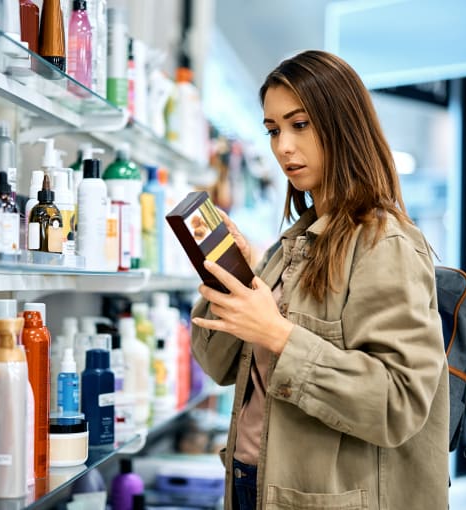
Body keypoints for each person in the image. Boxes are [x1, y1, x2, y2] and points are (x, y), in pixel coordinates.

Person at [190, 50, 449, 510]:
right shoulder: (289, 247)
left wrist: (277, 334)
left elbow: (398, 402)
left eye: (300, 124)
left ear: (342, 123)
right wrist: (239, 277)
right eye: (272, 130)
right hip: (254, 483)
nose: (283, 147)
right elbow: (218, 364)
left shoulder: (383, 242)